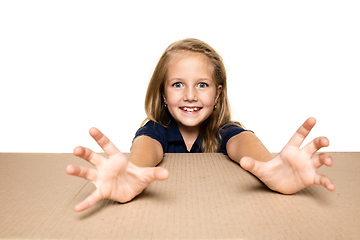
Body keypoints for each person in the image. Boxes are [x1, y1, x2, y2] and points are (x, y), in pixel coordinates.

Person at [66, 38, 335, 212]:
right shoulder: (156, 130)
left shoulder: (223, 132)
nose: (191, 95)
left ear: (217, 95)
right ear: (163, 92)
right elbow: (146, 149)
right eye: (178, 84)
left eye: (202, 85)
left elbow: (242, 142)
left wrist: (270, 166)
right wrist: (132, 171)